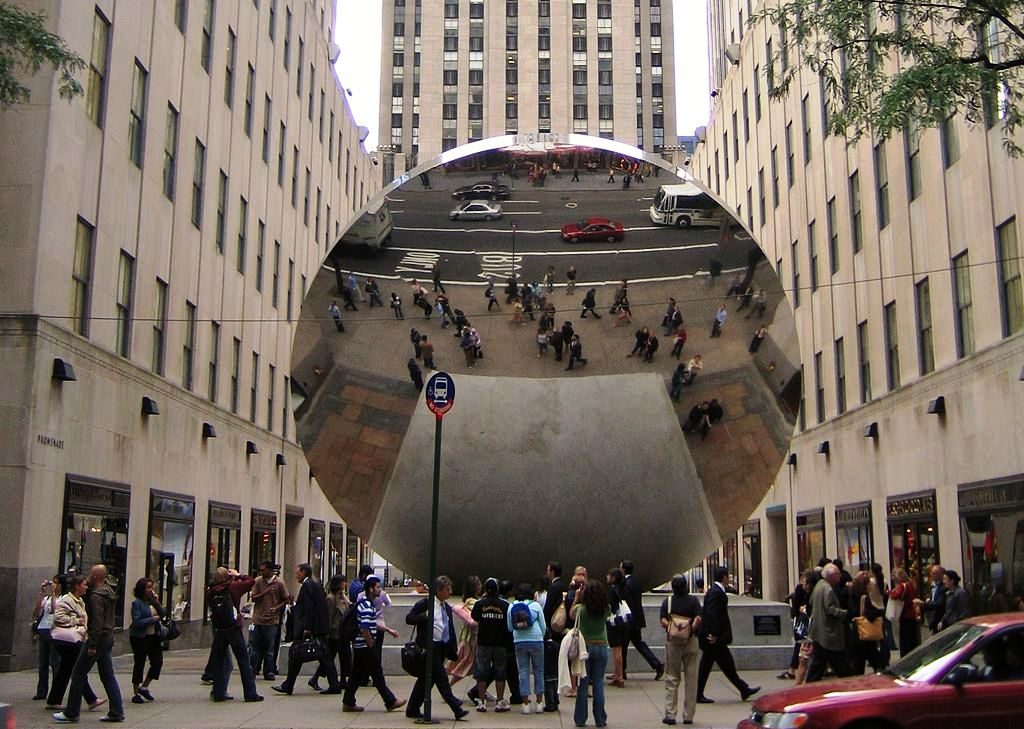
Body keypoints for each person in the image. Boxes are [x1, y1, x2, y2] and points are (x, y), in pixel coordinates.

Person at [53, 564, 126, 723]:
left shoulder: (95, 597)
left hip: (98, 639)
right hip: (107, 637)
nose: (87, 578)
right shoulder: (109, 593)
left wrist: (92, 644)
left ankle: (71, 712)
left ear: (95, 577)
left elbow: (97, 622)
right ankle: (117, 711)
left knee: (78, 672)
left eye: (90, 575)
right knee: (107, 674)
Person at [404, 576, 468, 720]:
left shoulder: (446, 607)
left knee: (426, 680)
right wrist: (424, 616)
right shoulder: (425, 604)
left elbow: (448, 627)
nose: (450, 592)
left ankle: (412, 708)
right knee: (442, 678)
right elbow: (409, 618)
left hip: (441, 647)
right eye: (447, 589)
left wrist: (451, 647)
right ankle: (455, 706)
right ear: (439, 590)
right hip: (428, 647)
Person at [274, 564, 341, 695]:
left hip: (312, 628)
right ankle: (333, 684)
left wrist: (308, 628)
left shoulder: (307, 586)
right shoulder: (314, 585)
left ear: (304, 572)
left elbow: (309, 608)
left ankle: (289, 684)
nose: (296, 575)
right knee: (324, 657)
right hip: (319, 627)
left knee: (298, 654)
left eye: (298, 573)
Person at [695, 566, 759, 703]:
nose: (728, 578)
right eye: (727, 576)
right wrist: (714, 634)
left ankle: (743, 689)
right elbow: (712, 614)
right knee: (714, 666)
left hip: (714, 638)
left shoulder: (715, 591)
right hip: (713, 639)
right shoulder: (716, 592)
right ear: (724, 577)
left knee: (721, 666)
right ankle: (742, 689)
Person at [343, 576, 406, 713]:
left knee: (356, 675)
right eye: (378, 587)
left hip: (359, 646)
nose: (380, 590)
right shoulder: (367, 606)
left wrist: (388, 630)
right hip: (365, 646)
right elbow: (365, 626)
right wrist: (370, 642)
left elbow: (371, 623)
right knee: (377, 674)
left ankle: (348, 701)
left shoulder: (365, 604)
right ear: (371, 589)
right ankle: (390, 701)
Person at [205, 567, 263, 703]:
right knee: (244, 661)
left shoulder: (210, 592)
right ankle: (250, 693)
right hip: (233, 628)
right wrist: (238, 575)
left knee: (218, 662)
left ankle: (218, 693)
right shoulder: (233, 587)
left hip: (219, 630)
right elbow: (251, 581)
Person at [47, 575, 103, 714]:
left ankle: (54, 700)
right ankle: (91, 699)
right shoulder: (67, 600)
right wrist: (77, 621)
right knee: (77, 668)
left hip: (75, 638)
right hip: (67, 640)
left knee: (66, 669)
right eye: (84, 584)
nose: (86, 587)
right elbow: (58, 617)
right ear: (77, 586)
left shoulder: (80, 601)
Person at [660, 575, 701, 726]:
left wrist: (674, 627)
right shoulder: (693, 601)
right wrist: (689, 629)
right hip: (691, 641)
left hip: (673, 643)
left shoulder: (668, 602)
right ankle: (688, 715)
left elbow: (663, 621)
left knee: (671, 677)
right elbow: (698, 618)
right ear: (685, 585)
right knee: (691, 679)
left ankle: (670, 714)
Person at [571, 578, 611, 729]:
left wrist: (577, 598)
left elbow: (571, 614)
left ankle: (580, 718)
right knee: (599, 683)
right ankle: (600, 718)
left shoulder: (581, 609)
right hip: (601, 646)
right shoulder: (605, 608)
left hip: (584, 648)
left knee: (583, 684)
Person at [805, 563, 853, 682]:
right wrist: (846, 613)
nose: (839, 578)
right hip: (828, 633)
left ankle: (811, 682)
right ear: (831, 576)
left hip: (819, 632)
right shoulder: (828, 589)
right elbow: (830, 609)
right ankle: (850, 681)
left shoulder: (819, 586)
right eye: (837, 575)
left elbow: (811, 603)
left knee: (819, 662)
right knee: (838, 662)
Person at [471, 577, 511, 713]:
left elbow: (475, 617)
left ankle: (481, 702)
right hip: (501, 643)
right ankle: (500, 701)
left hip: (484, 643)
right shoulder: (505, 605)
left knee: (481, 673)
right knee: (500, 672)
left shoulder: (479, 604)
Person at [620, 560, 665, 680]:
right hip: (637, 619)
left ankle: (621, 671)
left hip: (629, 620)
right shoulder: (635, 582)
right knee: (639, 643)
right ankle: (657, 664)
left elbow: (628, 603)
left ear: (623, 570)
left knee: (623, 645)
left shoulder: (626, 584)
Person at [507, 582, 546, 714]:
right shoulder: (536, 606)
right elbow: (543, 625)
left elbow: (510, 627)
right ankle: (540, 703)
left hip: (519, 641)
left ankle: (525, 704)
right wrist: (540, 636)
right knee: (539, 671)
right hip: (536, 640)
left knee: (523, 672)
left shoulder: (511, 606)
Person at [249, 560, 289, 681]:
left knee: (269, 648)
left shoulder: (279, 583)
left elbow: (286, 599)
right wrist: (265, 592)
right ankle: (254, 668)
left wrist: (276, 608)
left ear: (270, 570)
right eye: (260, 570)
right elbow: (253, 598)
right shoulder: (258, 581)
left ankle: (269, 670)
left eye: (263, 570)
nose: (261, 572)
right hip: (257, 619)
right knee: (254, 646)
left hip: (272, 621)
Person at [312, 574, 351, 691]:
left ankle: (343, 680)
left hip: (343, 633)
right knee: (329, 658)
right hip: (334, 634)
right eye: (343, 582)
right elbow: (328, 617)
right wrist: (327, 633)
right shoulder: (331, 598)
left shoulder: (342, 598)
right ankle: (316, 678)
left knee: (345, 657)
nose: (345, 584)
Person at [128, 578, 164, 704]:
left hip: (153, 635)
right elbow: (137, 621)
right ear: (142, 589)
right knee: (140, 662)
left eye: (152, 587)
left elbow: (163, 614)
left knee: (157, 661)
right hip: (139, 636)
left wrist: (157, 602)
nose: (151, 590)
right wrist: (153, 619)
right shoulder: (137, 603)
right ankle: (136, 691)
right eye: (148, 588)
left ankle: (145, 686)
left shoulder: (152, 601)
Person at [448, 576, 482, 689]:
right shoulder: (473, 602)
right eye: (479, 584)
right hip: (473, 639)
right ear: (475, 588)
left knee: (474, 665)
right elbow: (476, 617)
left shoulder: (468, 601)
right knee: (467, 664)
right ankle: (448, 688)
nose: (481, 586)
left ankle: (480, 690)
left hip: (468, 638)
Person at [33, 576, 62, 700]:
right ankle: (41, 691)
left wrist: (54, 594)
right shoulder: (47, 598)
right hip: (44, 629)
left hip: (55, 632)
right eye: (53, 583)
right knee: (42, 663)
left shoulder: (63, 598)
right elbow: (37, 610)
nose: (54, 585)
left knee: (55, 663)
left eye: (57, 583)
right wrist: (42, 592)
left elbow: (55, 610)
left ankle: (55, 691)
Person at [605, 568, 629, 688]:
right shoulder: (625, 588)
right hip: (624, 622)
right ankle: (618, 673)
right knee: (620, 649)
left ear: (613, 578)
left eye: (608, 575)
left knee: (617, 650)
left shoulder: (612, 590)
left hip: (615, 623)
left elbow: (610, 606)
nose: (607, 577)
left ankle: (619, 677)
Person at [888, 568, 919, 656]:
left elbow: (895, 596)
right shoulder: (911, 585)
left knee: (905, 640)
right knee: (912, 640)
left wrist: (889, 593)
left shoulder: (902, 586)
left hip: (905, 615)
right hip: (912, 614)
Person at [914, 564, 947, 636]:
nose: (931, 575)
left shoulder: (943, 587)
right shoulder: (933, 585)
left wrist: (923, 603)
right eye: (931, 573)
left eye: (934, 573)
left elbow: (939, 604)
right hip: (933, 620)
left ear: (941, 575)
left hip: (940, 619)